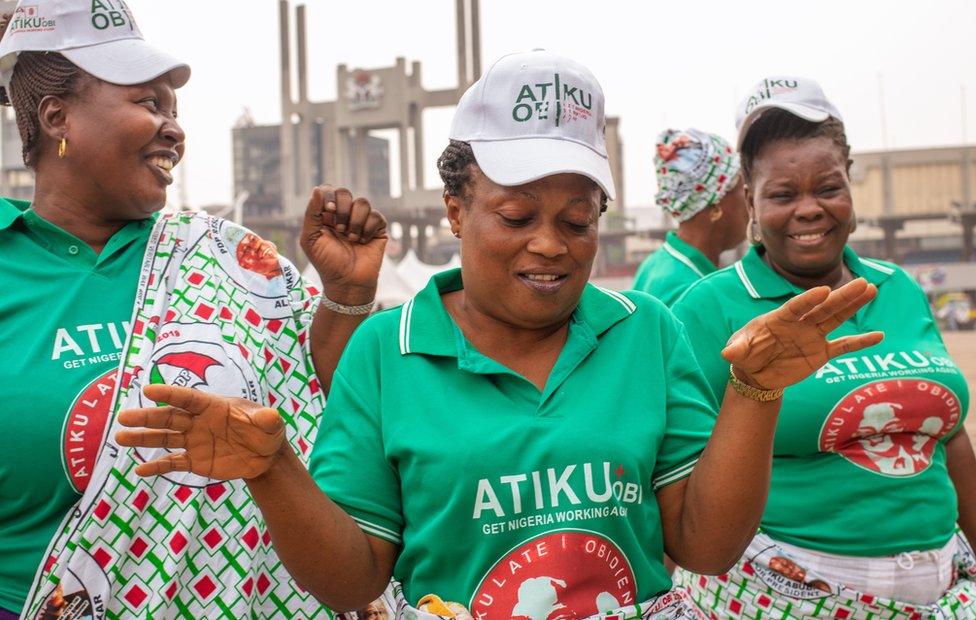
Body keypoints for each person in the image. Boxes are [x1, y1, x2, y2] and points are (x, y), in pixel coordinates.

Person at [117, 51, 882, 618]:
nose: (550, 244)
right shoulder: (387, 354)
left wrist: (754, 393)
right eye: (516, 217)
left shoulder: (646, 332)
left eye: (577, 221)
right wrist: (275, 470)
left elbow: (704, 548)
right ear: (456, 209)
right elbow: (354, 581)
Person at [0, 2, 386, 618]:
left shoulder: (228, 260)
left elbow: (325, 404)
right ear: (56, 117)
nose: (174, 129)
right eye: (148, 104)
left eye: (174, 112)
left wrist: (346, 294)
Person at [670, 77, 976, 617]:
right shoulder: (707, 308)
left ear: (849, 186)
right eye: (783, 194)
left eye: (828, 188)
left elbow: (949, 437)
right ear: (750, 200)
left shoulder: (898, 287)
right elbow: (677, 482)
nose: (809, 209)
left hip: (947, 589)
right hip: (785, 592)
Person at [632, 128, 747, 305]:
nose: (750, 198)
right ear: (716, 203)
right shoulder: (688, 290)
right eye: (743, 187)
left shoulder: (660, 264)